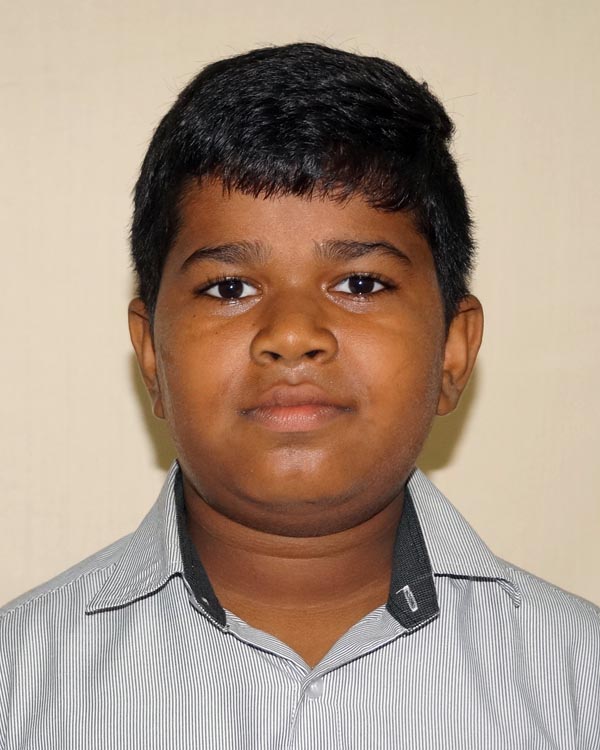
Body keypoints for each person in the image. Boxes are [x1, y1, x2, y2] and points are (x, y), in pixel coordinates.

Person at [1, 42, 598, 749]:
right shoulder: (19, 681)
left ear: (453, 350)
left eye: (361, 283)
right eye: (229, 287)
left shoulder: (579, 680)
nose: (290, 334)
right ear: (152, 355)